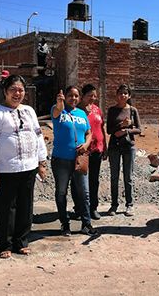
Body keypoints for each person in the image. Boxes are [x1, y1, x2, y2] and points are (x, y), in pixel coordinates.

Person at [0, 75, 48, 258]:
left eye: (21, 90)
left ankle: (21, 242)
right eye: (13, 90)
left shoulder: (29, 112)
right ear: (5, 92)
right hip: (5, 170)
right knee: (6, 208)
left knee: (26, 207)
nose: (17, 94)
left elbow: (38, 137)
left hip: (28, 168)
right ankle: (5, 245)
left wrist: (41, 163)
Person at [51, 86, 97, 236]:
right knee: (61, 192)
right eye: (70, 95)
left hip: (79, 159)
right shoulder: (58, 110)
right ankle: (65, 224)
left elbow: (89, 133)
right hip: (61, 160)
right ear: (64, 96)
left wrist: (86, 144)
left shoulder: (82, 113)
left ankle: (86, 223)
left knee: (84, 192)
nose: (74, 98)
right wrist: (60, 103)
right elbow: (57, 110)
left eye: (76, 96)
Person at [106, 84, 142, 216]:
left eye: (125, 93)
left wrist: (126, 130)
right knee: (114, 177)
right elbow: (109, 130)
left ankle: (129, 204)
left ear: (129, 96)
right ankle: (114, 205)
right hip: (114, 147)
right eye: (120, 93)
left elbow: (139, 129)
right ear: (116, 95)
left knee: (128, 177)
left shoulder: (133, 110)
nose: (123, 95)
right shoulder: (112, 110)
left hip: (129, 147)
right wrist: (121, 125)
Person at [78, 84, 108, 220]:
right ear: (82, 96)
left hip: (97, 149)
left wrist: (105, 146)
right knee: (79, 180)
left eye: (95, 96)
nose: (93, 98)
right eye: (90, 95)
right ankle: (80, 207)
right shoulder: (77, 110)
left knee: (94, 180)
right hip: (83, 150)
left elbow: (102, 128)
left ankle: (93, 207)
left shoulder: (97, 110)